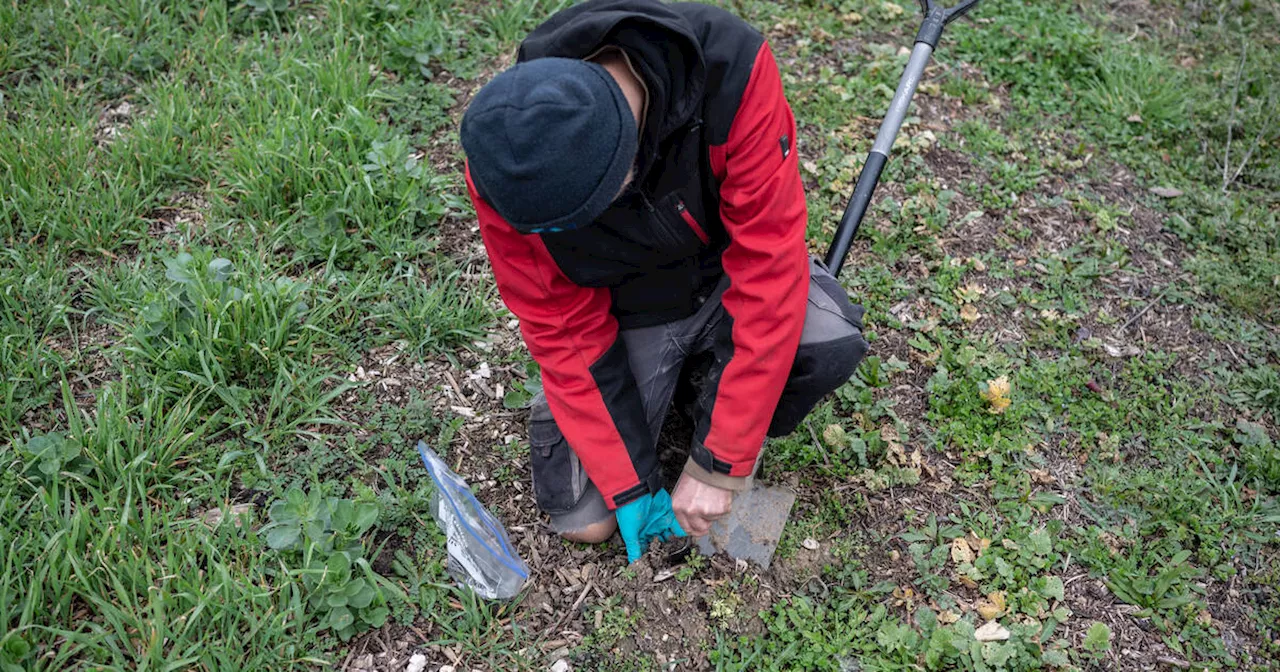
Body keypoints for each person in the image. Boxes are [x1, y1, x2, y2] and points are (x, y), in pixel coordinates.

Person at [459, 0, 868, 564]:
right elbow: (558, 322)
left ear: (631, 164)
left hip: (725, 281)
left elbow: (768, 272)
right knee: (587, 520)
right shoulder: (511, 158)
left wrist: (718, 464)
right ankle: (676, 382)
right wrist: (631, 484)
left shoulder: (733, 72)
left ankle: (713, 393)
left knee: (822, 342)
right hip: (632, 308)